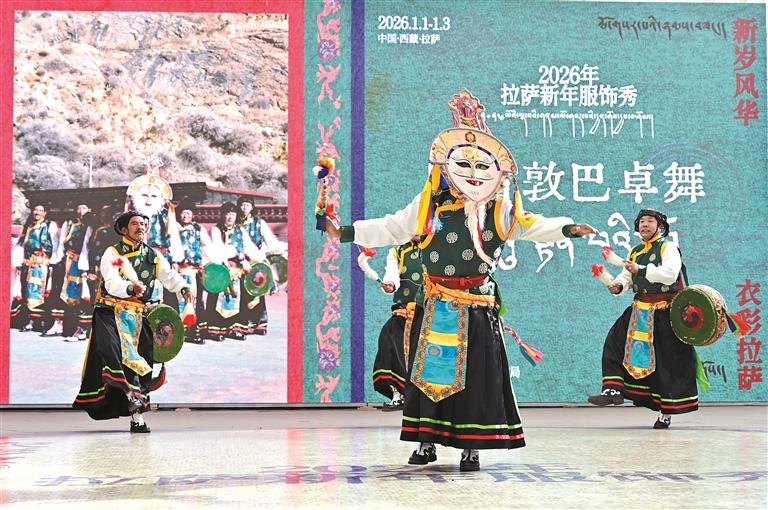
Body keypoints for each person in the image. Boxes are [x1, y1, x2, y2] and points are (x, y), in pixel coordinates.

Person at [326, 90, 597, 471]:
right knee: (427, 378)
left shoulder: (498, 211)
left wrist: (567, 228)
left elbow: (532, 225)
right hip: (436, 306)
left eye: (480, 166)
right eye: (463, 164)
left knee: (475, 380)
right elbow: (391, 227)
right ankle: (426, 443)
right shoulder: (429, 207)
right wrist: (346, 232)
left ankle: (472, 448)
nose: (472, 173)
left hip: (477, 309)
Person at [72, 211, 192, 433]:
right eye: (135, 224)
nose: (140, 227)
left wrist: (183, 288)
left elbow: (169, 276)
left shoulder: (152, 256)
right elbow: (111, 282)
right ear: (123, 229)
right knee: (114, 357)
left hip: (138, 315)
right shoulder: (114, 253)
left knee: (139, 365)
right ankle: (128, 395)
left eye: (143, 224)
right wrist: (129, 288)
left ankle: (137, 418)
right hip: (110, 312)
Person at [588, 209, 698, 429]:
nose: (645, 225)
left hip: (665, 312)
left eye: (650, 221)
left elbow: (670, 273)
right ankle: (613, 390)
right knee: (614, 343)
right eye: (642, 222)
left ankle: (666, 413)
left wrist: (640, 269)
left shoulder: (667, 247)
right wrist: (618, 286)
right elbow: (627, 278)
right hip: (639, 311)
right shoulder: (636, 251)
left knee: (666, 364)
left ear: (660, 226)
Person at [371, 237, 422, 412]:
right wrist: (390, 284)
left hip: (430, 314)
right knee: (389, 339)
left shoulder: (437, 246)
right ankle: (399, 394)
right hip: (404, 313)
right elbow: (392, 275)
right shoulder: (398, 252)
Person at [201, 202, 264, 341]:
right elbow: (218, 250)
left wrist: (258, 260)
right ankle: (215, 330)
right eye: (227, 214)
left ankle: (236, 329)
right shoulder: (216, 230)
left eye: (233, 214)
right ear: (222, 215)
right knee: (218, 300)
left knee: (238, 301)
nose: (230, 217)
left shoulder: (240, 230)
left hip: (238, 271)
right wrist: (237, 256)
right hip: (222, 270)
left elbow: (249, 247)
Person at [237, 195, 287, 335]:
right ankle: (245, 322)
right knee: (243, 292)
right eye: (242, 205)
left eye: (247, 205)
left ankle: (260, 322)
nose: (244, 208)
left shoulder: (259, 223)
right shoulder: (236, 223)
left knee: (258, 290)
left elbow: (270, 240)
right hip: (241, 262)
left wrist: (277, 254)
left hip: (256, 261)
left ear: (252, 207)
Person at [47, 201, 92, 341]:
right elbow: (61, 243)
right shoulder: (70, 223)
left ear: (89, 209)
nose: (81, 210)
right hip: (67, 261)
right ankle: (58, 323)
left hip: (82, 262)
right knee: (61, 290)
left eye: (84, 207)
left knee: (80, 293)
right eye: (79, 207)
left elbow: (87, 246)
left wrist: (85, 265)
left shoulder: (90, 225)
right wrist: (58, 259)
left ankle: (80, 328)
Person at [167, 199, 210, 344]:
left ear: (193, 214)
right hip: (179, 270)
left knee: (196, 300)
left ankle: (194, 330)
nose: (186, 216)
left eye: (188, 213)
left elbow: (206, 247)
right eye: (183, 213)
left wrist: (206, 262)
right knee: (179, 300)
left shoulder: (198, 229)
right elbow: (169, 247)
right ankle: (180, 330)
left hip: (195, 271)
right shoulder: (173, 229)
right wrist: (173, 262)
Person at [13, 204, 58, 333]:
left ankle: (39, 321)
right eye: (35, 210)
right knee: (27, 291)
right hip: (28, 263)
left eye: (40, 210)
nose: (37, 212)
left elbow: (54, 243)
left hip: (41, 263)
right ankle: (29, 321)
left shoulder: (49, 225)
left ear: (45, 213)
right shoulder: (29, 226)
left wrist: (53, 261)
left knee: (39, 291)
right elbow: (22, 244)